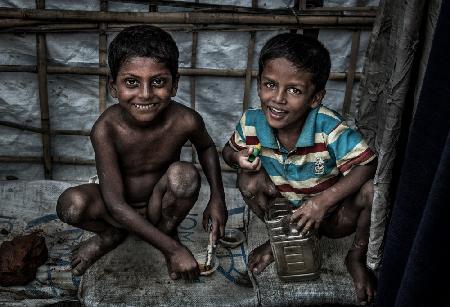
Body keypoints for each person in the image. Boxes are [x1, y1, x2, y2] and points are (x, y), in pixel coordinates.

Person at [56, 25, 227, 282]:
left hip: (159, 205)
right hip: (116, 212)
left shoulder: (185, 120)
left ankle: (166, 231)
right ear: (113, 87)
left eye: (158, 81)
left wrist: (217, 198)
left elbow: (205, 147)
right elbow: (115, 203)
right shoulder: (106, 129)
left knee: (185, 175)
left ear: (174, 84)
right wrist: (176, 250)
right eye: (131, 82)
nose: (145, 94)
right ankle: (112, 236)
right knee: (70, 205)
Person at [222, 33, 377, 305]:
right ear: (259, 85)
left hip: (333, 216)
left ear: (315, 97)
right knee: (249, 180)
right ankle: (280, 240)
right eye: (270, 84)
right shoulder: (252, 123)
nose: (278, 98)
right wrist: (239, 159)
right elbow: (227, 151)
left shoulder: (327, 126)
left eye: (294, 90)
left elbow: (368, 163)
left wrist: (321, 202)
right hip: (288, 213)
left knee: (371, 190)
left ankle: (356, 255)